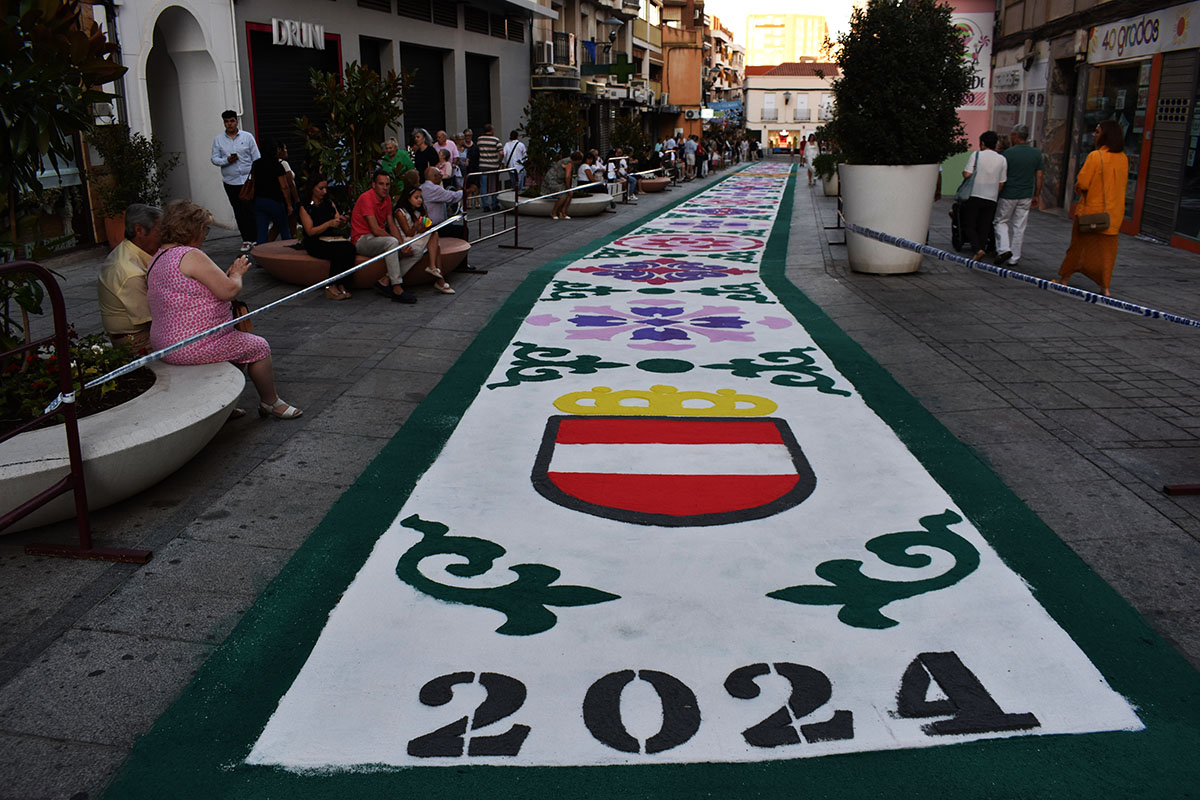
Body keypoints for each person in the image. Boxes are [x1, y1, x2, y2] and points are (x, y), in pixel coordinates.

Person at [146, 200, 301, 419]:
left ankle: (221, 406)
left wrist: (227, 278)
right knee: (258, 347)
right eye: (205, 229)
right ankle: (270, 402)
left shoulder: (157, 258)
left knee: (235, 348)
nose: (206, 235)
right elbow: (229, 291)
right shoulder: (189, 255)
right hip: (194, 343)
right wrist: (236, 274)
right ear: (193, 228)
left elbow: (191, 291)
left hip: (164, 343)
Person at [1056, 119, 1129, 297]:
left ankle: (1064, 278)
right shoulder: (1123, 158)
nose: (1093, 135)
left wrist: (1079, 189)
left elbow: (1083, 182)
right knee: (1106, 253)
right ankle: (1105, 287)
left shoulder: (1096, 156)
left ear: (1105, 135)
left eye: (1097, 132)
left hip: (1091, 212)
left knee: (1078, 246)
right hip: (1113, 215)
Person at [97, 203, 162, 352]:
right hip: (136, 340)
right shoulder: (130, 270)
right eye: (159, 231)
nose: (164, 236)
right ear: (139, 230)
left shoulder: (131, 252)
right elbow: (153, 321)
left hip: (139, 332)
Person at [351, 170, 417, 304]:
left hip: (377, 239)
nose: (385, 187)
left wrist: (402, 244)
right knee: (392, 243)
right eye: (381, 184)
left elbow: (391, 224)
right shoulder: (366, 198)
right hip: (362, 239)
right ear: (373, 185)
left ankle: (385, 280)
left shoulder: (386, 199)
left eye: (387, 184)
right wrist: (398, 245)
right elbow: (375, 229)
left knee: (416, 251)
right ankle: (397, 287)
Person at [993, 124, 1044, 267]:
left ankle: (1004, 249)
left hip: (1008, 194)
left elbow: (1001, 176)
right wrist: (1037, 195)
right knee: (1019, 225)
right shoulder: (1036, 154)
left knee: (1001, 221)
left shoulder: (1008, 154)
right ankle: (1014, 257)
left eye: (1011, 135)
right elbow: (1039, 177)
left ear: (1016, 136)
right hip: (1026, 194)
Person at [210, 110, 259, 251]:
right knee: (239, 211)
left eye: (231, 121)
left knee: (250, 210)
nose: (229, 124)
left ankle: (256, 239)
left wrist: (255, 177)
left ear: (236, 121)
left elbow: (256, 157)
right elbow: (214, 159)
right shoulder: (219, 140)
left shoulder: (247, 137)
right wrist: (227, 160)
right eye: (226, 121)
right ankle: (246, 240)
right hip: (231, 181)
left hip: (247, 181)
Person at [298, 177, 353, 301]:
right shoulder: (305, 207)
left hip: (331, 238)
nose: (324, 192)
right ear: (313, 189)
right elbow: (310, 231)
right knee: (337, 251)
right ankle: (331, 284)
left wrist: (342, 221)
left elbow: (337, 220)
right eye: (320, 188)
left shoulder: (329, 203)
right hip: (315, 241)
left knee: (349, 248)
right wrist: (328, 224)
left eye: (325, 188)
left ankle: (343, 283)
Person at [394, 185, 453, 294]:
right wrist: (417, 225)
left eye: (420, 197)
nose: (420, 200)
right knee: (434, 236)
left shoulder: (418, 211)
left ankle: (436, 273)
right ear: (408, 198)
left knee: (436, 242)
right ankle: (438, 277)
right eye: (416, 197)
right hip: (407, 240)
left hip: (416, 238)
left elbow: (421, 231)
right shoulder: (400, 212)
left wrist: (424, 223)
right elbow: (409, 233)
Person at [960, 130, 1007, 262]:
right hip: (991, 197)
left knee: (969, 224)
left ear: (982, 143)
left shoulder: (976, 155)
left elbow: (967, 174)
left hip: (975, 194)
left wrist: (964, 172)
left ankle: (978, 249)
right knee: (984, 226)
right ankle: (981, 249)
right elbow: (1002, 182)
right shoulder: (1002, 159)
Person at [250, 138, 293, 244]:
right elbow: (284, 186)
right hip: (275, 201)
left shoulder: (256, 164)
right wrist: (289, 204)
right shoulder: (277, 165)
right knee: (284, 229)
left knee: (262, 231)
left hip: (259, 200)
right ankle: (288, 254)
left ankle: (261, 256)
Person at [419, 166, 467, 240]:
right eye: (440, 175)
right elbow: (452, 197)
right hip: (434, 225)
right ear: (435, 176)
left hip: (428, 223)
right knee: (463, 230)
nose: (441, 178)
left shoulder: (423, 187)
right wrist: (466, 191)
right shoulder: (433, 189)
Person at [545, 151, 583, 220]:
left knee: (570, 194)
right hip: (553, 180)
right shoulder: (569, 163)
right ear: (577, 160)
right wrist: (568, 188)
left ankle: (563, 212)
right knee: (563, 195)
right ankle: (554, 212)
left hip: (559, 181)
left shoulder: (568, 161)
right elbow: (567, 176)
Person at [476, 124, 503, 211]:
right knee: (494, 185)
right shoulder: (496, 140)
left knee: (484, 186)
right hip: (493, 166)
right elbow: (501, 153)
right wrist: (499, 161)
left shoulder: (480, 139)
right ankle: (494, 204)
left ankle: (485, 205)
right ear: (491, 130)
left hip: (483, 165)